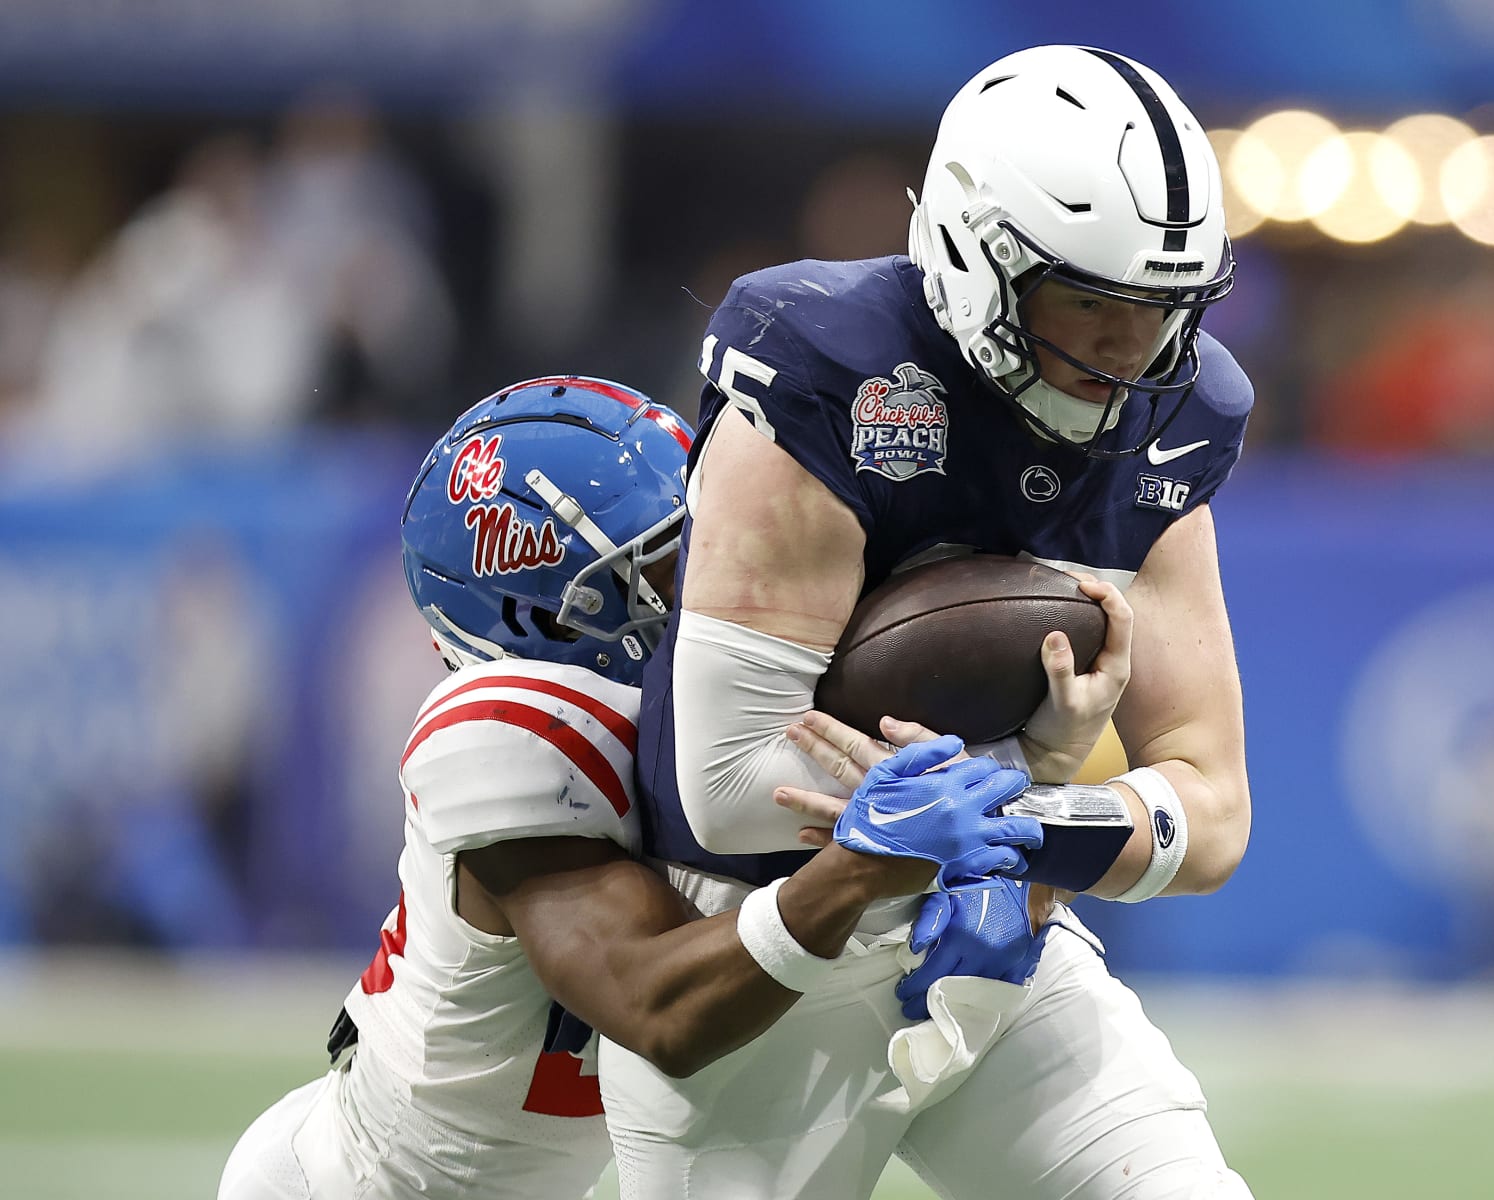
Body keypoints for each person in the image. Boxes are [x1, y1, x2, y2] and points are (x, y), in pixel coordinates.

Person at [616, 43, 1257, 1199]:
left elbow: (1212, 812)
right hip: (760, 942)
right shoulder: (829, 365)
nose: (1136, 347)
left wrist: (1024, 815)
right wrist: (1011, 782)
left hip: (994, 923)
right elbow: (726, 783)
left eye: (1166, 306)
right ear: (976, 257)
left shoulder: (1178, 417)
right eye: (1098, 299)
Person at [216, 376, 1046, 1200]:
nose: (715, 584)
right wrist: (861, 869)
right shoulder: (505, 728)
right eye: (668, 564)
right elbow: (657, 1007)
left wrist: (1037, 762)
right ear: (541, 613)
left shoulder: (713, 714)